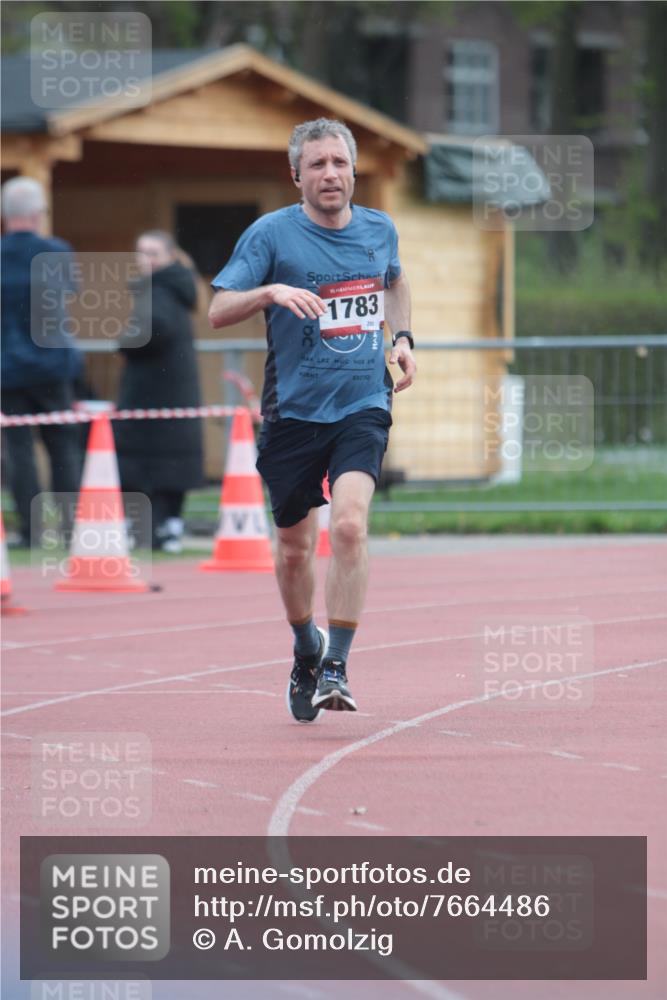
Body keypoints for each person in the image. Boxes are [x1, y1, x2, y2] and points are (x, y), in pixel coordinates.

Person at [209, 117, 416, 720]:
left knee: (349, 527)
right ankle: (306, 647)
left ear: (354, 171)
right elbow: (220, 309)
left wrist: (401, 337)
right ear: (296, 174)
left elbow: (395, 282)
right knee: (295, 549)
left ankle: (337, 665)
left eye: (340, 163)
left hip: (363, 403)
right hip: (294, 413)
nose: (331, 174)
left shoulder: (380, 228)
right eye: (318, 164)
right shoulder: (270, 235)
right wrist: (270, 293)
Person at [1, 176, 83, 547]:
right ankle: (69, 529)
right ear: (37, 214)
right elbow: (70, 291)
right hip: (52, 364)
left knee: (19, 452)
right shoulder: (56, 251)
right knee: (62, 447)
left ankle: (31, 532)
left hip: (7, 368)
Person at [115, 231, 204, 552]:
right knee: (169, 466)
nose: (145, 259)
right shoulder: (175, 288)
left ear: (169, 256)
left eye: (153, 252)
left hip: (152, 394)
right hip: (168, 393)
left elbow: (154, 330)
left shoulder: (160, 291)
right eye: (141, 252)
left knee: (143, 464)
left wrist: (124, 341)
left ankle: (154, 530)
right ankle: (167, 528)